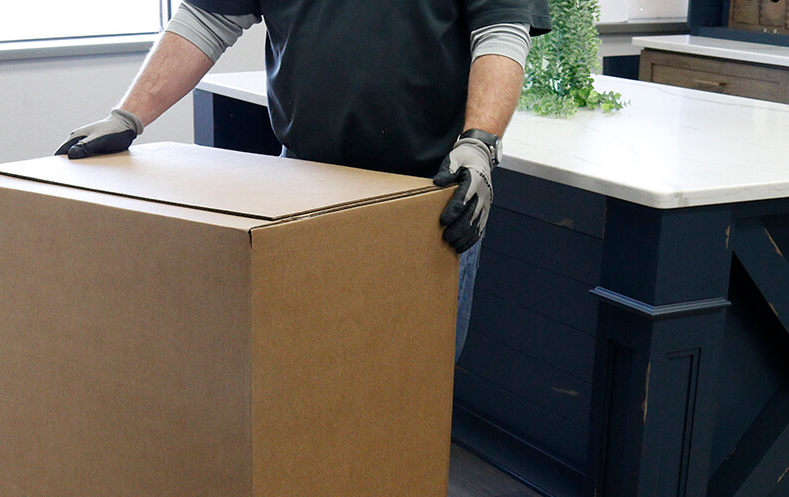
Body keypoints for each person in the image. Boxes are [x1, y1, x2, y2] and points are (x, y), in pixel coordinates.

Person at [57, 0, 550, 361]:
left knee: (414, 377)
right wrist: (129, 116)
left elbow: (502, 29)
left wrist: (480, 141)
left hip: (426, 194)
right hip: (303, 187)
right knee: (302, 370)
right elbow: (208, 18)